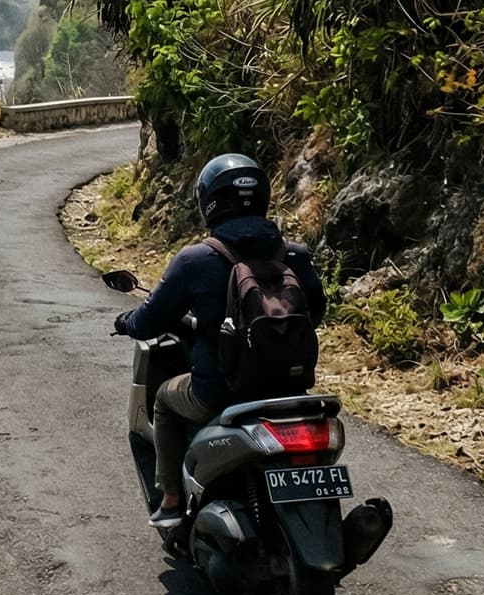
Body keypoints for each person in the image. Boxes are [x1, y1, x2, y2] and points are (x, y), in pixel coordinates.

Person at [113, 152, 327, 529]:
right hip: (290, 388)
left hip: (220, 391)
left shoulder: (196, 259)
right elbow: (316, 312)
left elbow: (149, 321)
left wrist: (126, 322)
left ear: (208, 203)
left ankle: (172, 500)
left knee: (163, 398)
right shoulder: (295, 254)